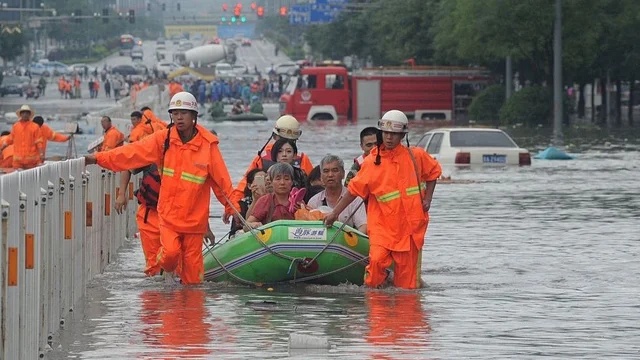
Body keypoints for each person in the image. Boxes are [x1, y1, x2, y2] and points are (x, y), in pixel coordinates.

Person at [84, 92, 238, 285]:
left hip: (194, 222)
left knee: (193, 281)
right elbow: (131, 153)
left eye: (184, 113)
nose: (179, 117)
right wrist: (98, 159)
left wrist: (232, 209)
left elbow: (222, 182)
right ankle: (160, 272)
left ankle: (190, 312)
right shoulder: (163, 140)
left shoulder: (208, 146)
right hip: (169, 217)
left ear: (194, 116)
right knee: (170, 256)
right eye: (175, 113)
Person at [324, 110, 442, 289]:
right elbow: (353, 191)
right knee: (376, 265)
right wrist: (334, 213)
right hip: (383, 229)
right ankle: (376, 313)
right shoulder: (371, 162)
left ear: (402, 135)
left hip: (410, 230)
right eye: (386, 133)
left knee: (407, 287)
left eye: (394, 134)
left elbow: (433, 172)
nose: (389, 138)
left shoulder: (415, 156)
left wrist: (428, 199)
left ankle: (404, 315)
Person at [230, 115, 313, 208]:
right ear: (275, 137)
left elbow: (311, 188)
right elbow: (245, 184)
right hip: (266, 205)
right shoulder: (262, 159)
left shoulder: (302, 160)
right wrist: (234, 207)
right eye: (282, 140)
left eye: (290, 141)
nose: (284, 154)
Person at [307, 155, 367, 234]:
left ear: (343, 174)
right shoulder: (314, 201)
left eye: (335, 170)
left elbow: (363, 226)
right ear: (321, 176)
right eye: (326, 171)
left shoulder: (355, 200)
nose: (330, 175)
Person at [244, 163, 298, 230]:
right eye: (278, 179)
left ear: (292, 182)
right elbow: (246, 226)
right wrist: (254, 225)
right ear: (271, 182)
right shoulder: (265, 200)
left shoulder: (298, 201)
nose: (282, 183)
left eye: (286, 179)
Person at [0, 105, 44, 169]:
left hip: (31, 161)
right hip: (18, 161)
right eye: (23, 112)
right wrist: (1, 148)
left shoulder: (35, 127)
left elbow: (39, 142)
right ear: (20, 114)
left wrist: (41, 154)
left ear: (29, 114)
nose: (25, 114)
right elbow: (9, 140)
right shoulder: (15, 126)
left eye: (27, 113)